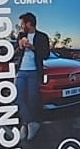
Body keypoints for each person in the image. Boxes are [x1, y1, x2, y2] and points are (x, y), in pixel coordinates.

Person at [10, 12, 50, 141]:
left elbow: (45, 55)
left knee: (33, 99)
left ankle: (30, 125)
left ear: (29, 23)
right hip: (21, 71)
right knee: (18, 97)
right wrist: (20, 46)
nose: (21, 26)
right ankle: (29, 123)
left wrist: (33, 47)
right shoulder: (21, 35)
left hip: (34, 72)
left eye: (23, 23)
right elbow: (15, 52)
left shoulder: (42, 36)